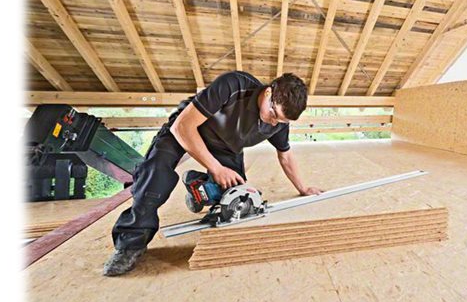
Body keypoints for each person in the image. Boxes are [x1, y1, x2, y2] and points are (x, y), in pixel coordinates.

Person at [103, 71, 323, 276]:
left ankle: (198, 186)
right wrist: (216, 168)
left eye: (281, 120)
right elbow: (182, 127)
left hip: (225, 147)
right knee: (154, 179)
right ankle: (130, 245)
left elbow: (285, 156)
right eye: (273, 114)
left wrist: (303, 188)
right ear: (268, 92)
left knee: (237, 199)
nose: (274, 122)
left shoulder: (278, 123)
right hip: (185, 130)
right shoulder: (234, 86)